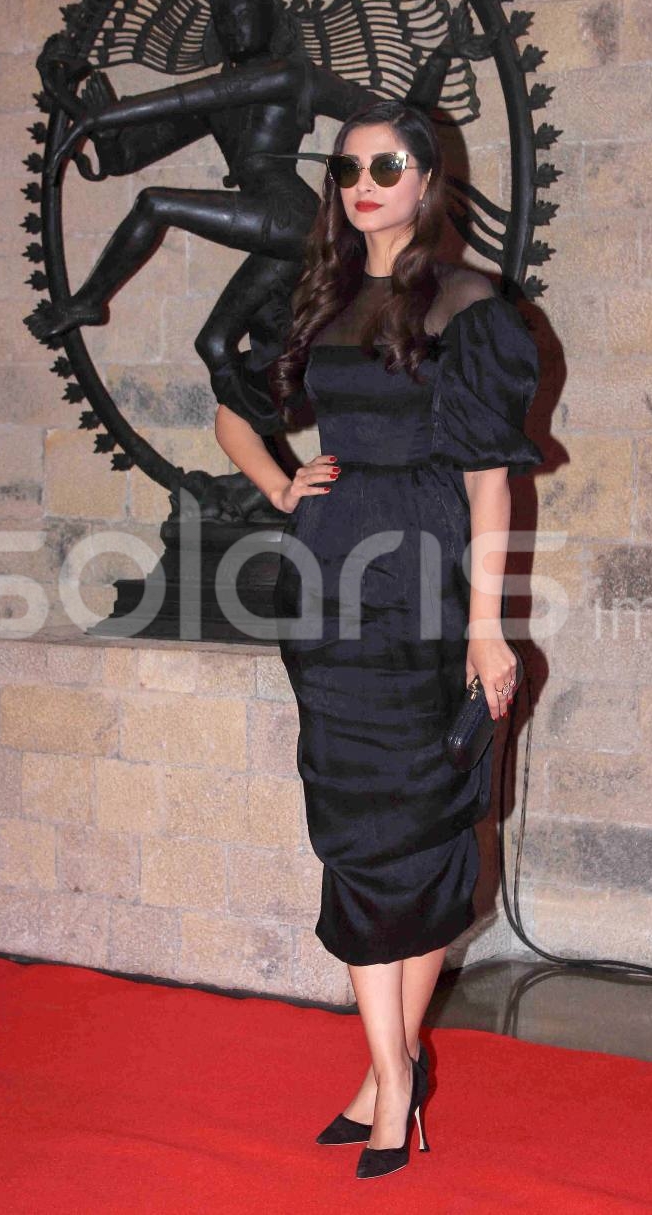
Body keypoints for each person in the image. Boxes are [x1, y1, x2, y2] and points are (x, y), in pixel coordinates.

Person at [214, 98, 544, 1180]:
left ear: (427, 179)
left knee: (420, 824)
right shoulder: (315, 295)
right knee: (354, 824)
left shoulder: (469, 303)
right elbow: (229, 403)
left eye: (387, 166)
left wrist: (488, 630)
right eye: (349, 169)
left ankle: (386, 1080)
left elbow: (492, 483)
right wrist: (281, 483)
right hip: (328, 580)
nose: (364, 185)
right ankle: (394, 1073)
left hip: (429, 579)